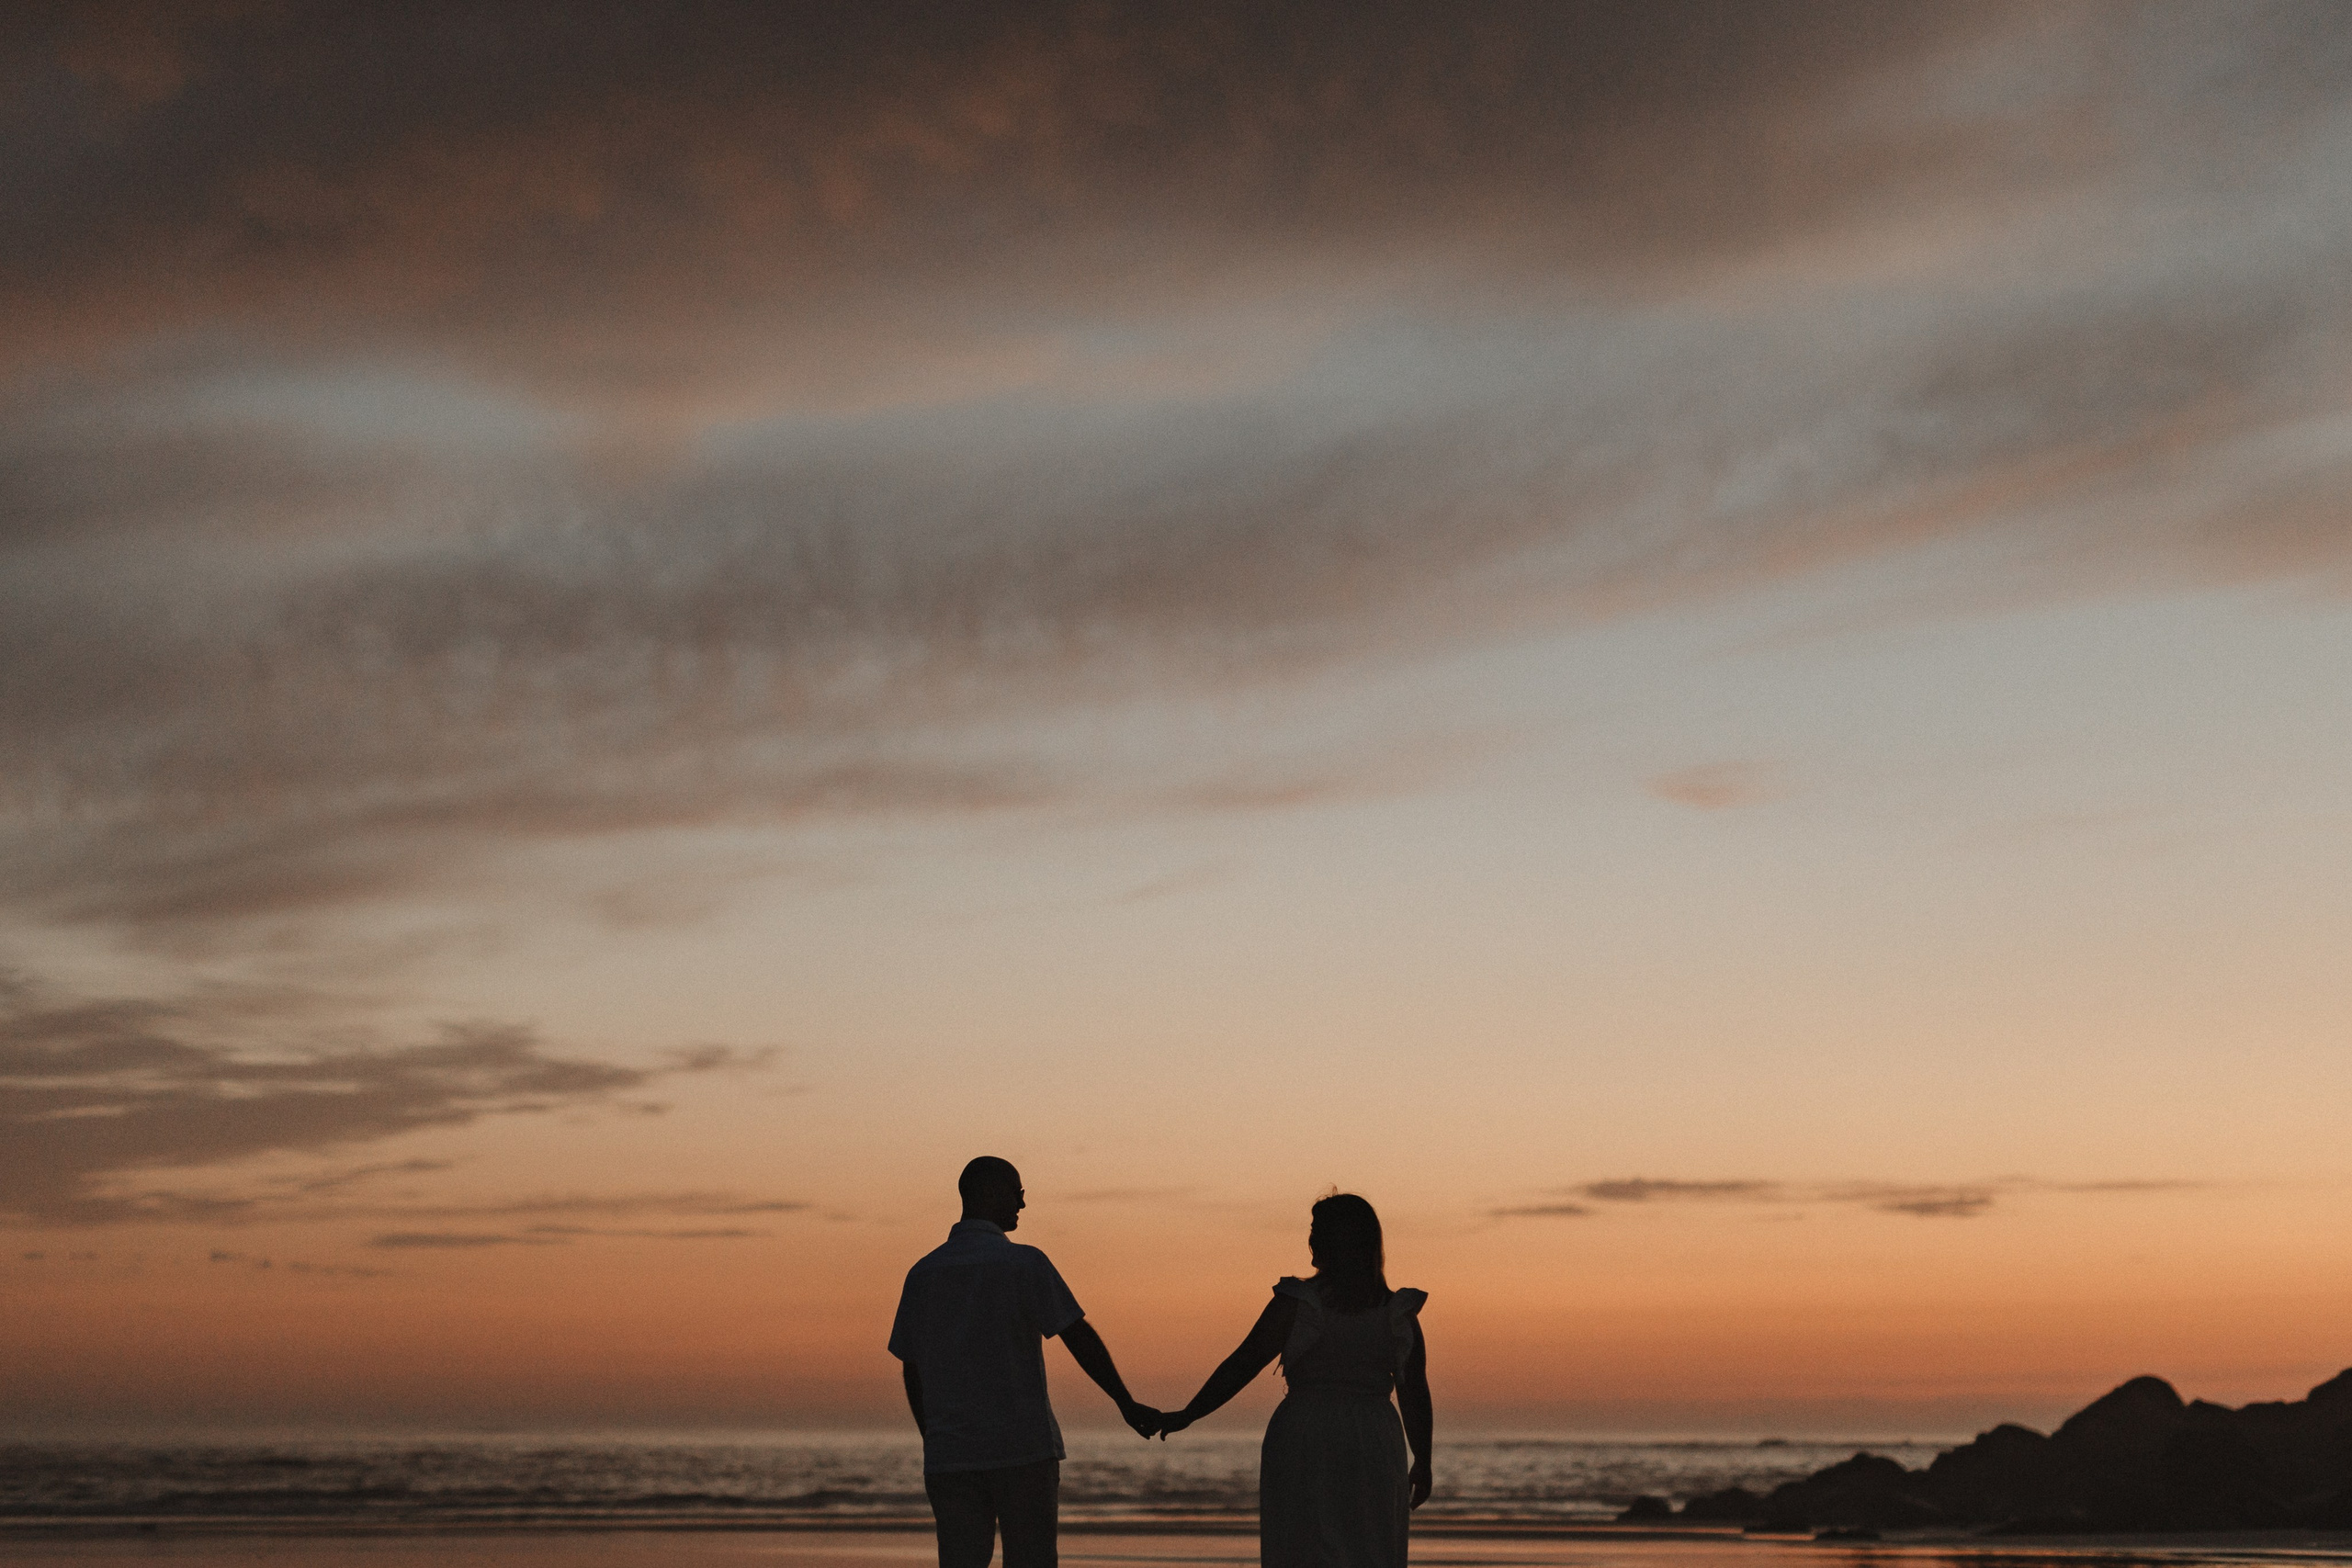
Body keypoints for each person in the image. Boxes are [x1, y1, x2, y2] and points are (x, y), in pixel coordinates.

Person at [889, 1156, 1159, 1568]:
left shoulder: (922, 1274)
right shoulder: (1024, 1263)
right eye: (1017, 1193)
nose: (1023, 1204)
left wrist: (934, 1436)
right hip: (1022, 1447)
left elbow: (912, 1366)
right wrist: (1124, 1402)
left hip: (951, 1453)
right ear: (989, 1193)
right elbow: (1077, 1335)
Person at [1157, 1192, 1430, 1568]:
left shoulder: (1372, 1309)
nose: (1311, 1240)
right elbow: (1243, 1364)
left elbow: (1414, 1389)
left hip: (1314, 1432)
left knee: (1312, 1543)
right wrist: (1189, 1414)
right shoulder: (1378, 1311)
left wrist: (1425, 1459)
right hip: (1360, 1435)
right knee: (1357, 1544)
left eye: (1319, 1231)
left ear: (1343, 1240)